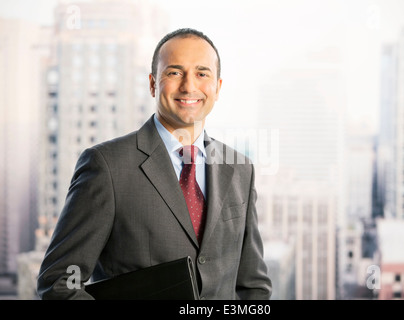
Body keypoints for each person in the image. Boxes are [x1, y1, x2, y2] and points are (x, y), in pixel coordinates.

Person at [37, 28, 272, 300]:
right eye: (174, 72)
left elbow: (253, 285)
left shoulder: (240, 169)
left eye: (202, 73)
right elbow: (59, 281)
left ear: (217, 87)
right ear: (152, 84)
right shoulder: (107, 166)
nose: (189, 86)